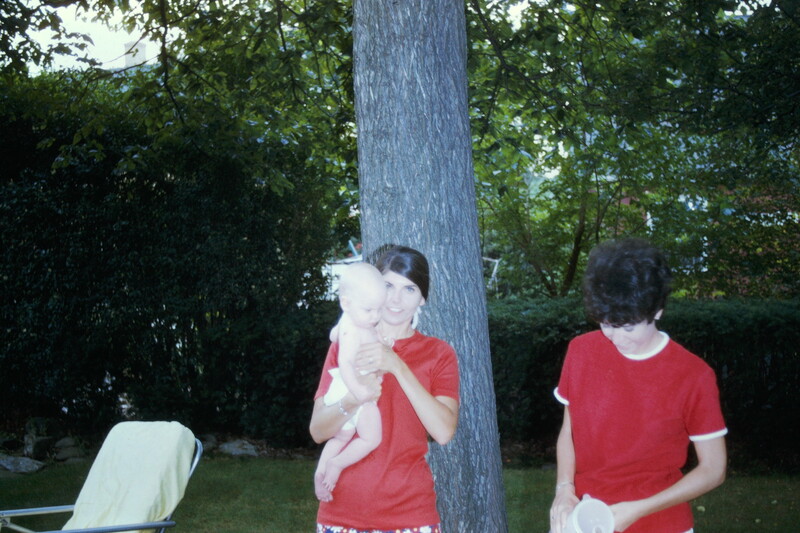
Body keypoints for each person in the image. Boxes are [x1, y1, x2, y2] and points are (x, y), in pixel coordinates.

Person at [549, 238, 727, 533]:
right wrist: (564, 489)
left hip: (662, 523)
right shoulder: (581, 351)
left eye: (629, 327)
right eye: (606, 324)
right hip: (585, 518)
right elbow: (569, 432)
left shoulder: (693, 375)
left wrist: (639, 509)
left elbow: (713, 469)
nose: (616, 338)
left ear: (657, 310)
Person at [309, 245, 460, 533]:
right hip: (340, 511)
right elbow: (318, 431)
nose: (396, 299)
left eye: (410, 289)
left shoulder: (438, 353)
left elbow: (443, 432)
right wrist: (353, 398)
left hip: (410, 515)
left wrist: (397, 366)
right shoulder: (346, 345)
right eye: (388, 285)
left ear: (423, 298)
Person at [314, 262, 388, 502]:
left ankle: (320, 473)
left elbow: (333, 334)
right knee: (371, 438)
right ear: (346, 303)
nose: (375, 316)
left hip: (344, 388)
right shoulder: (352, 330)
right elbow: (345, 363)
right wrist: (358, 393)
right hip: (352, 387)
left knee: (341, 437)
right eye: (369, 310)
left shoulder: (350, 320)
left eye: (379, 309)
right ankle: (337, 464)